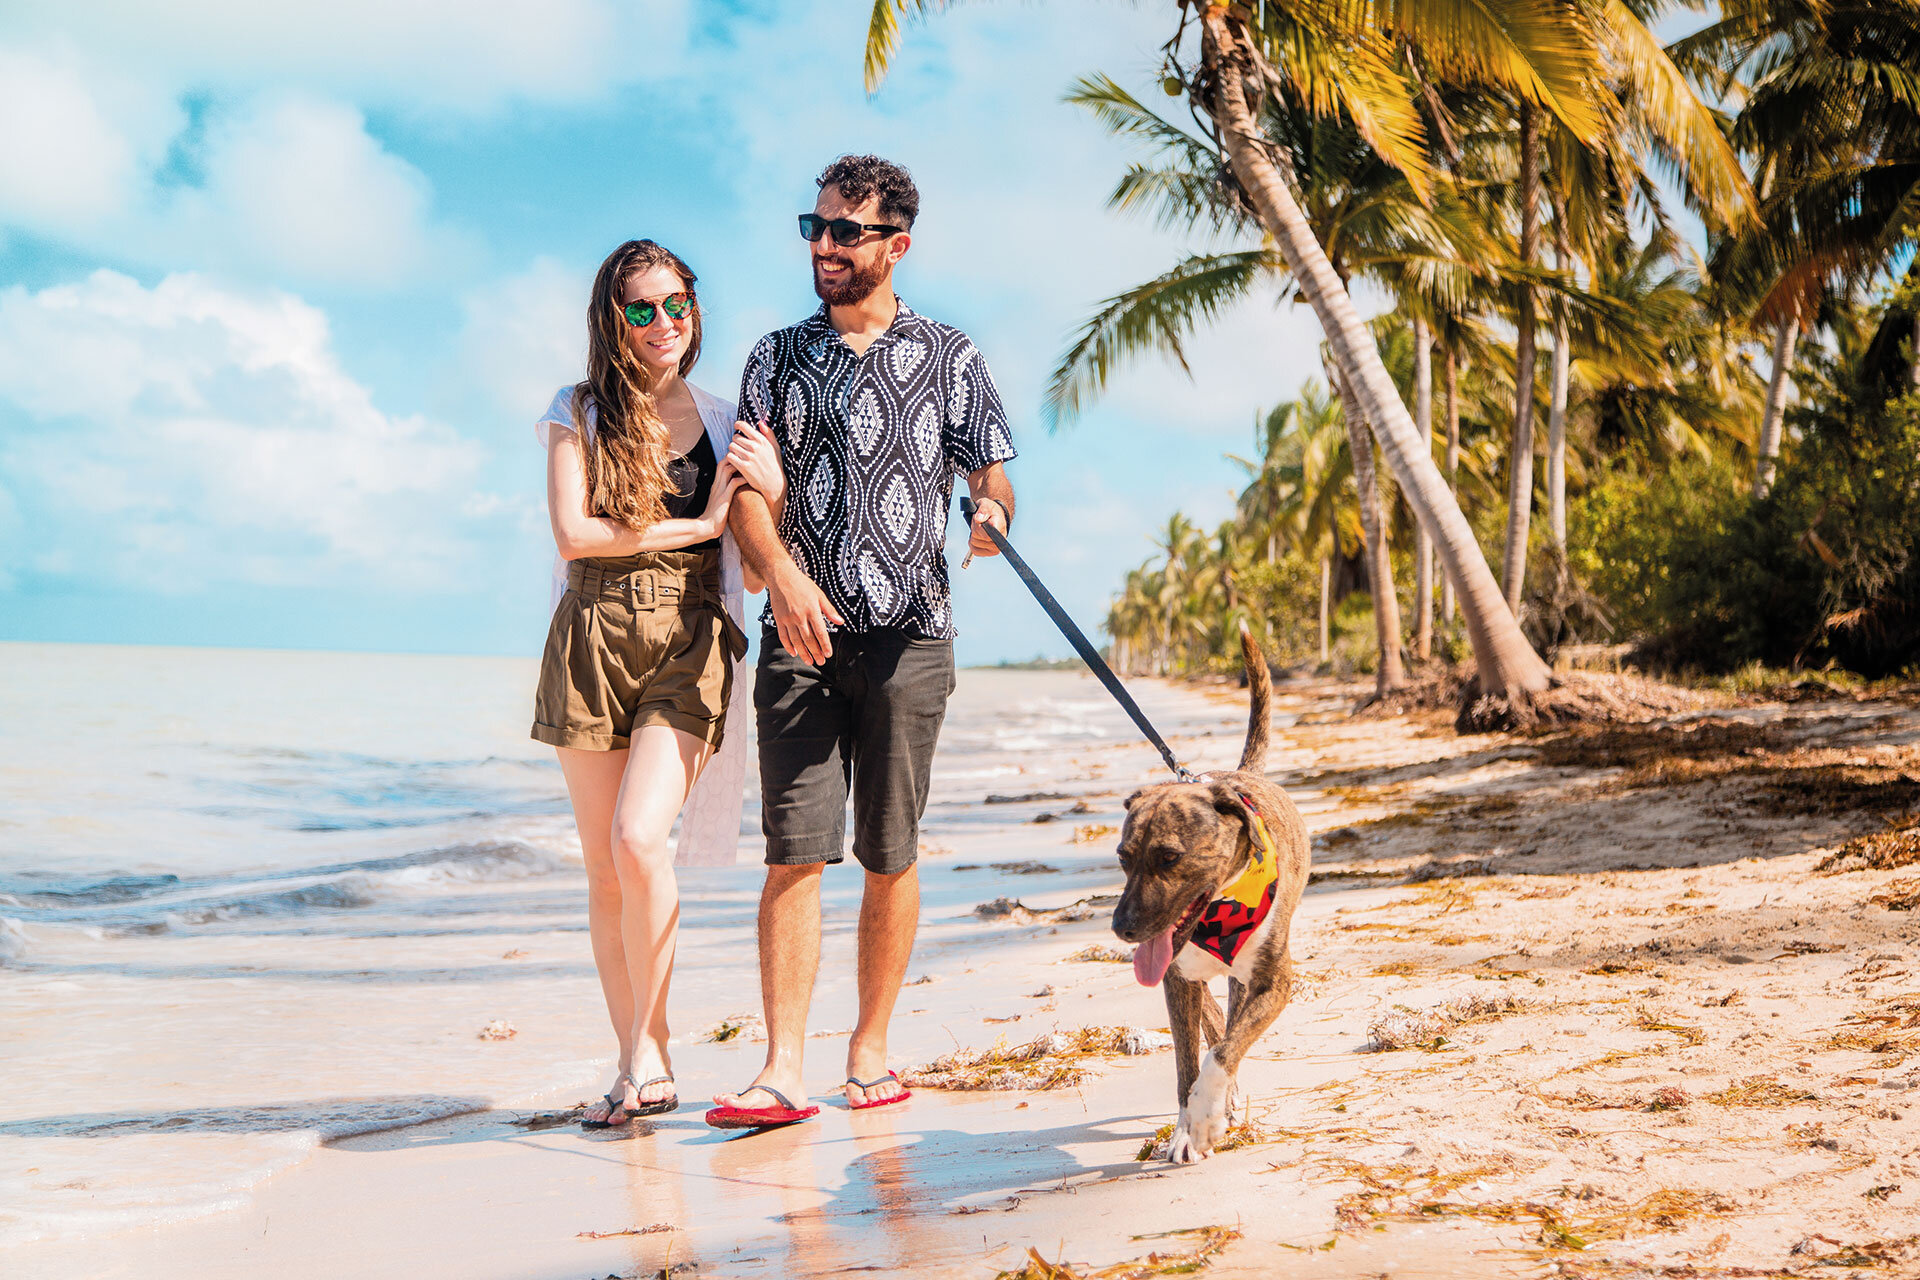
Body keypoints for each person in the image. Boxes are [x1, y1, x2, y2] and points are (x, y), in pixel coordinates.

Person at [708, 155, 1018, 1128]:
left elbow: (994, 472)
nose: (825, 246)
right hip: (798, 635)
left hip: (911, 635)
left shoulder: (951, 354)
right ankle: (781, 1066)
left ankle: (871, 1049)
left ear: (897, 243)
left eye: (847, 230)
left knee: (889, 849)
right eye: (816, 226)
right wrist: (786, 576)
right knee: (793, 851)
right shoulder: (773, 355)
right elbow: (749, 496)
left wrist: (987, 512)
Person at [531, 239, 787, 1127]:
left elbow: (748, 576)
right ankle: (633, 1057)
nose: (663, 324)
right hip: (593, 633)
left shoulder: (726, 421)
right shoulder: (579, 410)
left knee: (641, 839)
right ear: (612, 316)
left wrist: (767, 501)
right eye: (641, 309)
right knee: (605, 868)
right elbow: (574, 536)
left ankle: (656, 1047)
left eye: (677, 303)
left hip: (690, 636)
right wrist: (699, 524)